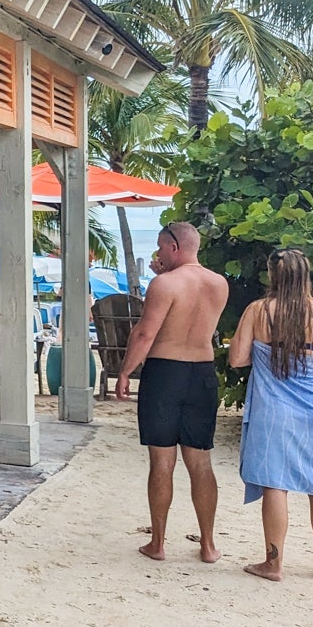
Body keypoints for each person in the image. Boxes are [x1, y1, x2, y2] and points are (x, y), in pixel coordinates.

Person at [116, 221, 230, 563]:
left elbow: (145, 334)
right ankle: (208, 544)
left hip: (166, 372)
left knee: (162, 461)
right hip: (203, 373)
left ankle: (159, 542)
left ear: (174, 247)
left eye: (161, 247)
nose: (157, 253)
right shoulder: (219, 284)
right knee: (200, 460)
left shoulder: (163, 284)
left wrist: (125, 372)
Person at [229, 248, 313, 582]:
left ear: (272, 275)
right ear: (307, 275)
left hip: (274, 413)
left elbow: (237, 358)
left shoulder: (258, 310)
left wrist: (264, 354)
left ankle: (273, 563)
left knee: (275, 485)